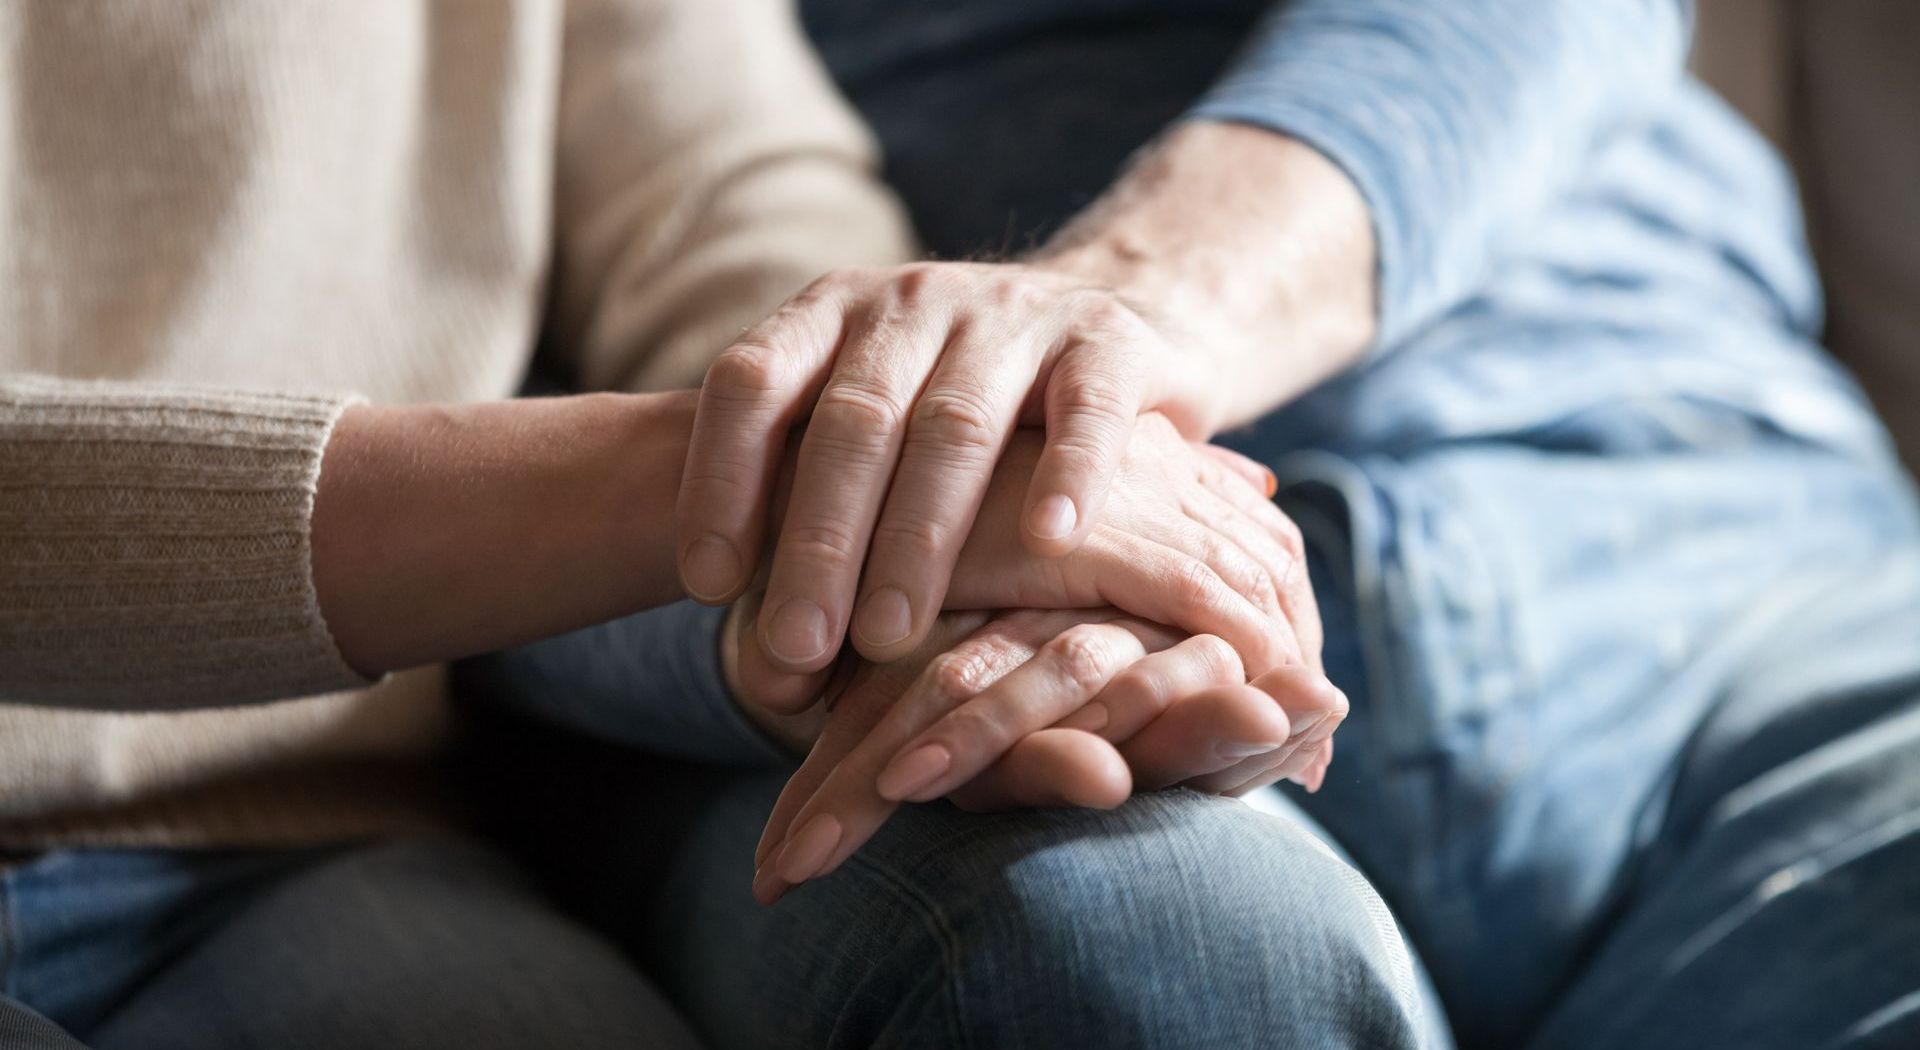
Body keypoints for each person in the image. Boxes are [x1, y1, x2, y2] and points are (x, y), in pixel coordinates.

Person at [464, 0, 1920, 1047]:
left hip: (1721, 571)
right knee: (1140, 953)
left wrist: (1099, 343)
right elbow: (443, 401)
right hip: (931, 718)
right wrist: (862, 586)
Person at [1, 2, 1291, 1046]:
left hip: (298, 847)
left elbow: (739, 214)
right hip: (323, 841)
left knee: (1215, 929)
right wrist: (759, 472)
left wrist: (954, 515)